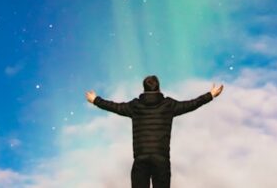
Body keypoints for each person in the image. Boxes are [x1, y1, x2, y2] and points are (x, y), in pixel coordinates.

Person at [85, 74, 224, 187]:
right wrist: (210, 95)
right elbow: (192, 104)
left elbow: (114, 106)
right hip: (161, 159)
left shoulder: (135, 106)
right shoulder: (169, 105)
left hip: (141, 159)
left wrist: (95, 100)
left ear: (143, 88)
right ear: (159, 88)